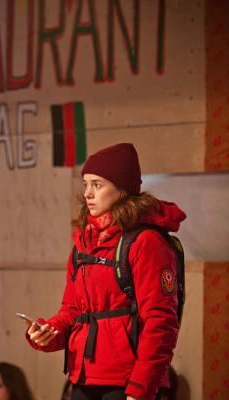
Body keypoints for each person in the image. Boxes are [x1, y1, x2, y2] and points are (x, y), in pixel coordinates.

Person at [23, 143, 186, 400]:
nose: (88, 193)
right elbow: (72, 312)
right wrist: (47, 332)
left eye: (97, 185)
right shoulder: (84, 242)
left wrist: (140, 389)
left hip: (126, 383)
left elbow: (160, 323)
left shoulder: (146, 242)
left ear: (122, 190)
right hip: (83, 378)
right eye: (86, 184)